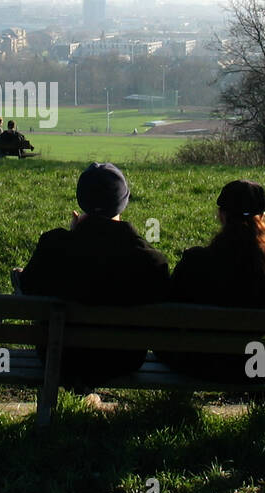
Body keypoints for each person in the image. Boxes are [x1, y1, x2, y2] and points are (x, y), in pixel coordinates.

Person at [15, 163, 169, 386]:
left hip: (61, 358)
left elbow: (29, 289)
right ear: (123, 202)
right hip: (123, 361)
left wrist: (73, 235)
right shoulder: (151, 260)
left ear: (82, 200)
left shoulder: (53, 246)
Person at [162, 179, 265, 382]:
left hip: (200, 364)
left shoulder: (196, 260)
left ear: (221, 215)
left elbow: (172, 303)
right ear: (263, 217)